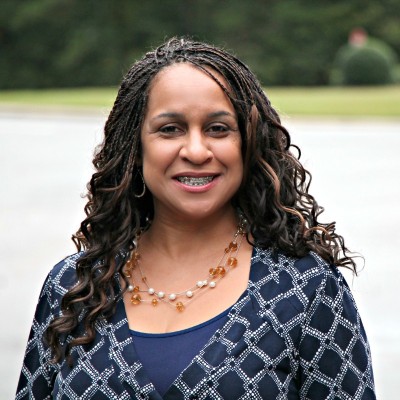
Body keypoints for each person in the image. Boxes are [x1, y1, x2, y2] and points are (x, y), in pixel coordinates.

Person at [16, 37, 376, 399]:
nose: (196, 151)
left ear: (248, 142)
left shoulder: (307, 289)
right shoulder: (73, 287)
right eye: (170, 129)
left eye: (218, 128)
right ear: (135, 146)